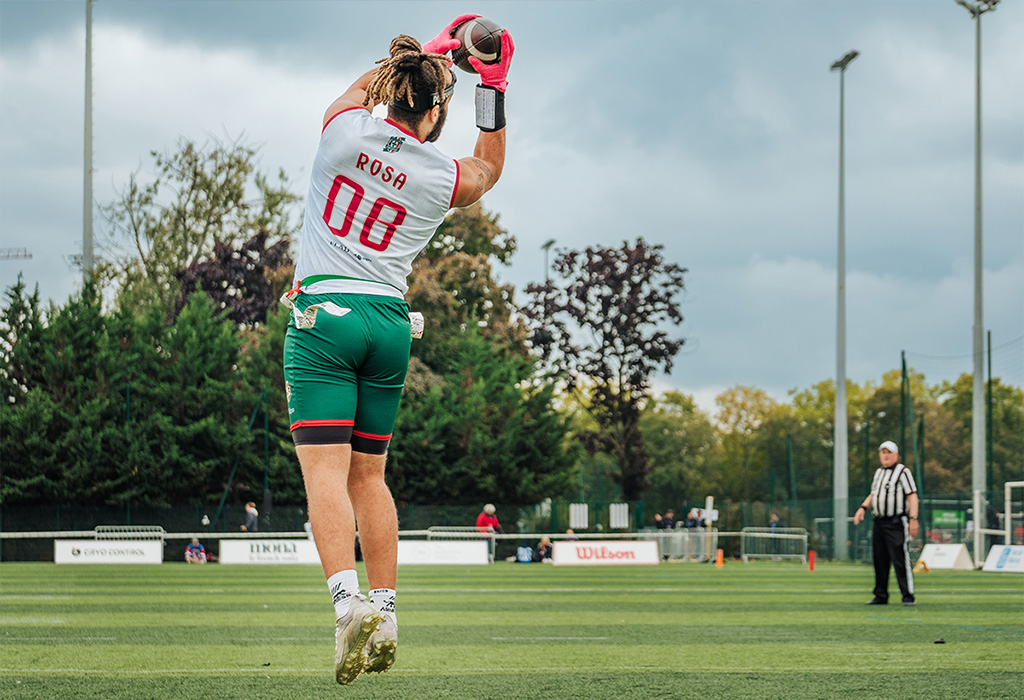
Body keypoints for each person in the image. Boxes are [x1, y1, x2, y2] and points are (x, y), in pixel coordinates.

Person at [281, 16, 514, 686]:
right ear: (436, 113)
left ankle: (346, 605)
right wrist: (492, 87)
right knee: (369, 478)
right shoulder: (437, 174)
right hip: (388, 322)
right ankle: (384, 610)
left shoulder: (343, 132)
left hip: (325, 316)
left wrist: (430, 53)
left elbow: (354, 93)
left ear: (392, 91)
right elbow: (488, 169)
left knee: (324, 477)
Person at [853, 440, 919, 606]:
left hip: (896, 521)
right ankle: (881, 595)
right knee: (879, 559)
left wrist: (913, 518)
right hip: (879, 522)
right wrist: (863, 508)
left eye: (889, 452)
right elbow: (874, 493)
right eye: (883, 452)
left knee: (899, 558)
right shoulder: (879, 473)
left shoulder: (903, 472)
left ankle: (907, 594)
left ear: (896, 455)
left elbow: (912, 495)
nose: (886, 456)